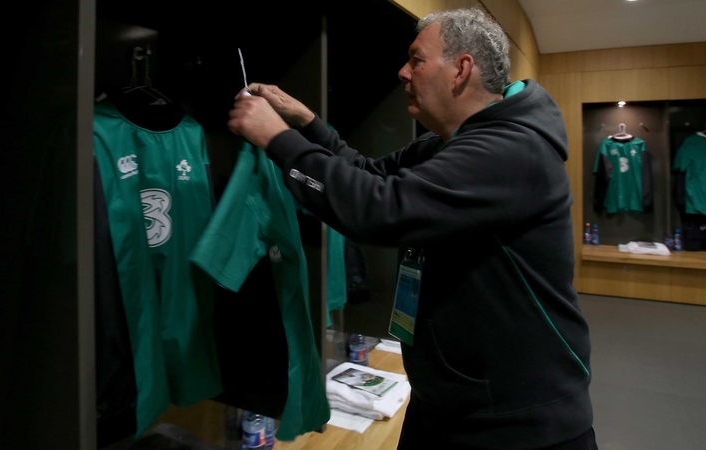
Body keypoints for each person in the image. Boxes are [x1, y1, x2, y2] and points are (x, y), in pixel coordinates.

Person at [227, 7, 597, 450]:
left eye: (416, 60)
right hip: (450, 402)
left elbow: (380, 209)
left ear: (461, 69)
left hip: (515, 424)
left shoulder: (512, 149)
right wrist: (306, 123)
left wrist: (276, 139)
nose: (403, 72)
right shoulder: (450, 143)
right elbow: (369, 174)